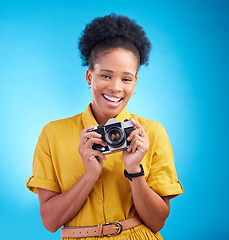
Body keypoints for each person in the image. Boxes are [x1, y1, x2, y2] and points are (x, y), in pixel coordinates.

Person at [26, 13, 183, 239]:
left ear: (135, 83)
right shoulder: (53, 134)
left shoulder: (151, 133)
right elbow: (50, 222)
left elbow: (158, 221)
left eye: (126, 79)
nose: (116, 88)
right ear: (90, 76)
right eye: (106, 76)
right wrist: (90, 174)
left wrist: (134, 170)